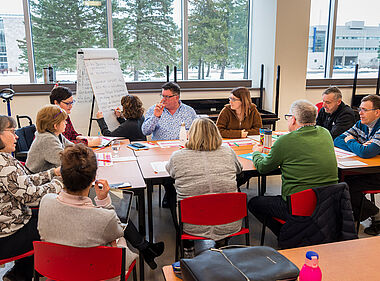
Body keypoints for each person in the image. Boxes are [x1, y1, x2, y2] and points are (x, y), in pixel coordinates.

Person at [37, 144, 164, 270]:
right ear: (94, 178)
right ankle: (145, 248)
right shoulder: (105, 217)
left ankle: (146, 248)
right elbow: (119, 230)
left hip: (57, 269)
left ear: (61, 175)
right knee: (119, 237)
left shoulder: (46, 202)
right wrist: (105, 203)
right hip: (97, 271)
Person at [248, 100, 338, 237]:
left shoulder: (285, 141)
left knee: (254, 203)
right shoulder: (325, 133)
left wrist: (256, 152)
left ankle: (286, 234)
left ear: (294, 119)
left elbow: (262, 167)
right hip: (327, 203)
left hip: (298, 205)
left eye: (289, 116)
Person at [166, 118, 242, 257]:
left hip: (192, 223)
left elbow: (170, 172)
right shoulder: (228, 152)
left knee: (172, 194)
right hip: (230, 220)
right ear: (216, 133)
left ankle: (188, 247)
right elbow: (239, 169)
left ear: (191, 135)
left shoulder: (178, 156)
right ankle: (222, 241)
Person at [0, 115, 63, 281]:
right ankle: (23, 275)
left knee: (45, 217)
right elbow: (31, 197)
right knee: (54, 223)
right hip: (6, 237)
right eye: (12, 132)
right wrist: (59, 183)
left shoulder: (5, 158)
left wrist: (52, 173)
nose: (17, 136)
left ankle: (19, 273)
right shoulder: (4, 164)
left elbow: (24, 182)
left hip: (9, 225)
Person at [334, 94, 380, 235]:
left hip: (376, 172)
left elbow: (366, 152)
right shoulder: (361, 124)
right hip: (362, 168)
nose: (360, 113)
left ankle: (376, 214)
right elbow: (338, 140)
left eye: (365, 110)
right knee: (337, 180)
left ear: (377, 112)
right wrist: (357, 146)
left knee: (346, 187)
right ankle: (349, 217)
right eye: (360, 109)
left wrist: (354, 143)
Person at [26, 105, 73, 173]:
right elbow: (65, 161)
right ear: (55, 126)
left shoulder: (56, 134)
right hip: (38, 180)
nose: (66, 123)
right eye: (63, 121)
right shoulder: (47, 139)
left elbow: (73, 147)